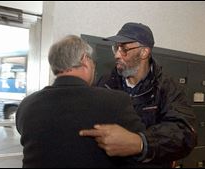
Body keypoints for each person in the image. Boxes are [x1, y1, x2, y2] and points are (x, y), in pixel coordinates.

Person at [16, 35, 146, 168]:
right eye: (93, 61)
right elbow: (140, 151)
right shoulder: (116, 102)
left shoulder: (26, 105)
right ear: (84, 59)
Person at [79, 23, 197, 167]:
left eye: (124, 49)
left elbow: (184, 134)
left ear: (144, 52)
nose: (117, 55)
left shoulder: (167, 88)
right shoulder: (104, 83)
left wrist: (141, 143)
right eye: (116, 48)